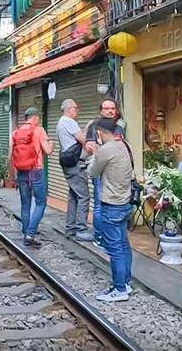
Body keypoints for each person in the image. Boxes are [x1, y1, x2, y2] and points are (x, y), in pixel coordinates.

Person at [88, 119, 135, 302]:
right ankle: (126, 282)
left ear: (100, 133)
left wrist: (94, 153)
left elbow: (92, 172)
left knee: (114, 248)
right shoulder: (125, 145)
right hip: (125, 202)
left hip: (111, 204)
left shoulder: (105, 150)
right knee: (123, 245)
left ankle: (119, 289)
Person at [9, 107, 53, 247]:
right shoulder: (38, 130)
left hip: (21, 171)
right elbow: (48, 150)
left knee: (25, 204)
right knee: (41, 203)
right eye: (38, 118)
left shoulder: (15, 132)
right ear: (35, 118)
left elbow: (10, 153)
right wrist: (51, 142)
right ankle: (31, 233)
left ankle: (26, 231)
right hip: (36, 170)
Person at [85, 98, 125, 249]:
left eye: (112, 108)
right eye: (106, 108)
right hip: (100, 168)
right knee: (99, 204)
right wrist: (98, 152)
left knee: (114, 203)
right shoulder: (94, 126)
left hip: (116, 170)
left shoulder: (119, 127)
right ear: (101, 111)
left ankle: (111, 237)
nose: (109, 111)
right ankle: (99, 236)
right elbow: (89, 146)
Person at [56, 99, 93, 241]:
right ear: (69, 109)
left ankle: (71, 227)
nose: (77, 111)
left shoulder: (60, 122)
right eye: (76, 108)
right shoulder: (69, 122)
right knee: (84, 196)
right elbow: (83, 139)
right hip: (75, 163)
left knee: (73, 196)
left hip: (67, 163)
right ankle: (81, 230)